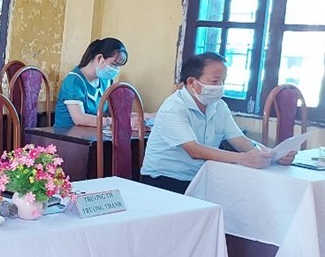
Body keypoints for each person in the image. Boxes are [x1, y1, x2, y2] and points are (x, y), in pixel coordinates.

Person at [140, 52, 295, 194]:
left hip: (202, 177)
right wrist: (242, 158)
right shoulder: (173, 108)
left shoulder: (218, 106)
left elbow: (240, 140)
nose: (220, 86)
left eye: (223, 81)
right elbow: (194, 150)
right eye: (215, 81)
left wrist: (272, 154)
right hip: (164, 180)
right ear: (192, 82)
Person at [54, 37, 128, 128]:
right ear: (99, 58)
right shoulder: (74, 81)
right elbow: (79, 118)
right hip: (67, 133)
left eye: (119, 66)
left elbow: (113, 112)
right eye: (114, 64)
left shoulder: (105, 81)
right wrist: (114, 122)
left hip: (91, 133)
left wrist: (137, 118)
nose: (116, 70)